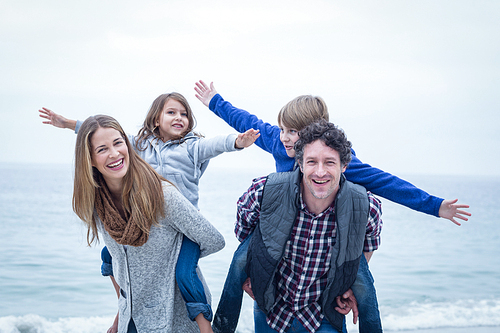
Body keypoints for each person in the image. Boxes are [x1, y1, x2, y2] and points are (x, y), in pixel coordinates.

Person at [194, 80, 471, 333]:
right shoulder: (282, 146)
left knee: (362, 279)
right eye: (283, 129)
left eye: (292, 131)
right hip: (278, 226)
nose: (284, 138)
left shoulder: (338, 159)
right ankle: (222, 328)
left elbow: (387, 183)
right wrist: (215, 101)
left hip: (328, 239)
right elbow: (246, 121)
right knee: (240, 260)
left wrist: (435, 206)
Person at [39, 92, 259, 333]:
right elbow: (97, 133)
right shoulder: (138, 151)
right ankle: (122, 311)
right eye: (171, 113)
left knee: (185, 273)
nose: (114, 153)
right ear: (156, 120)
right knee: (110, 260)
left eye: (184, 114)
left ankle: (205, 326)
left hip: (185, 230)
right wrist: (67, 123)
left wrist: (238, 142)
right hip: (133, 319)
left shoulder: (189, 150)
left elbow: (215, 145)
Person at [70, 114, 225, 332]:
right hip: (130, 320)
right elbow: (120, 263)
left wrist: (178, 261)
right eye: (102, 149)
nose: (114, 154)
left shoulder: (163, 196)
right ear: (90, 159)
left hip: (171, 321)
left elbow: (214, 240)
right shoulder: (98, 205)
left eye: (118, 143)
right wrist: (119, 317)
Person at [239, 120, 383, 332]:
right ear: (300, 163)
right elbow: (245, 229)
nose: (320, 172)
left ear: (344, 166)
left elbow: (366, 248)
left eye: (330, 162)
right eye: (312, 162)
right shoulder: (263, 192)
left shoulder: (366, 207)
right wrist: (251, 272)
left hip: (324, 309)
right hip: (271, 308)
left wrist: (346, 284)